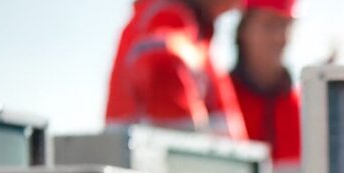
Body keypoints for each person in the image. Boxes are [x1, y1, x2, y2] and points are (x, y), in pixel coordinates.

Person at [106, 0, 247, 139]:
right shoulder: (164, 17)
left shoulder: (197, 33)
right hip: (139, 155)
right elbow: (163, 73)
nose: (239, 5)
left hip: (145, 152)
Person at [230, 0, 301, 166]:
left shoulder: (304, 110)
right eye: (269, 25)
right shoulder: (218, 100)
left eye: (285, 25)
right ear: (243, 30)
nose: (279, 37)